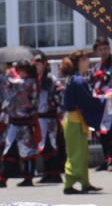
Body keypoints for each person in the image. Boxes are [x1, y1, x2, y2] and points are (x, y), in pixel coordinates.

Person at [60, 50, 106, 194]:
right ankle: (69, 184)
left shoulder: (74, 79)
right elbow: (88, 101)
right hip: (75, 121)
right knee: (76, 154)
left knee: (81, 152)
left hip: (74, 120)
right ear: (79, 62)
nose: (88, 62)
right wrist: (104, 99)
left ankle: (85, 183)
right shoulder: (78, 81)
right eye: (86, 59)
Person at [0, 60, 40, 188]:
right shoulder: (21, 82)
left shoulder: (30, 82)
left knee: (28, 152)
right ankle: (2, 178)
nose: (18, 72)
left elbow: (16, 84)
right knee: (8, 151)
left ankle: (28, 177)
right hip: (14, 122)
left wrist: (9, 75)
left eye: (20, 69)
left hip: (25, 123)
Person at [34, 51, 65, 185]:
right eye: (35, 64)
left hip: (50, 117)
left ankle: (55, 173)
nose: (37, 66)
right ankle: (47, 173)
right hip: (39, 118)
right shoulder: (34, 80)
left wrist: (53, 102)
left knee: (51, 146)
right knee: (43, 147)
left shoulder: (51, 79)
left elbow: (60, 93)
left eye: (39, 63)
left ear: (45, 64)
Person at [90, 37, 112, 170]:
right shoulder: (96, 67)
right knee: (101, 132)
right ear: (97, 52)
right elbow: (92, 83)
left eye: (105, 49)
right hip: (100, 103)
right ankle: (105, 159)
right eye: (100, 49)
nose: (103, 52)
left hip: (111, 102)